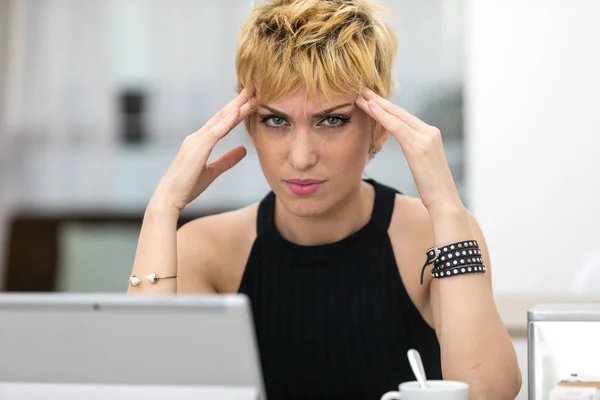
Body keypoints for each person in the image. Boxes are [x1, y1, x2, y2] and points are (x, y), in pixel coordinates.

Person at [128, 0, 521, 398]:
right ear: (248, 124)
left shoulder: (435, 236)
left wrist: (446, 206)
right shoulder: (204, 249)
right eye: (276, 120)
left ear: (380, 128)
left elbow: (489, 393)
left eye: (332, 120)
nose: (301, 157)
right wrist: (162, 209)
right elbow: (141, 385)